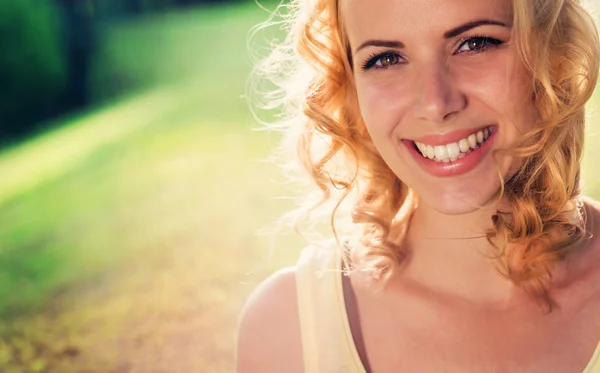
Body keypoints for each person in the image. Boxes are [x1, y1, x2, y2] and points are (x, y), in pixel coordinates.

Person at [237, 0, 600, 371]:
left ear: (554, 50)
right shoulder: (287, 333)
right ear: (350, 87)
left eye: (474, 43)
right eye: (386, 59)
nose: (435, 103)